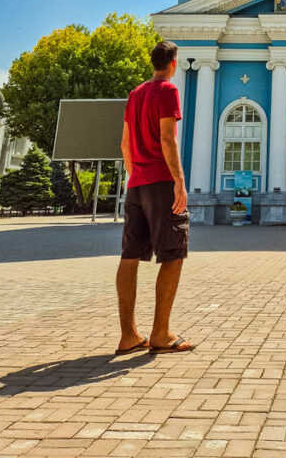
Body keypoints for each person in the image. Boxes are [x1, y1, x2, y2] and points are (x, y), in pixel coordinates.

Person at [115, 40, 194, 355]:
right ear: (173, 63)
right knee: (173, 254)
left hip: (136, 184)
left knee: (129, 256)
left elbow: (124, 144)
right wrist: (179, 181)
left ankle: (128, 335)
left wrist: (136, 175)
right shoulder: (167, 91)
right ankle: (160, 333)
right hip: (161, 182)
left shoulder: (135, 94)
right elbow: (166, 137)